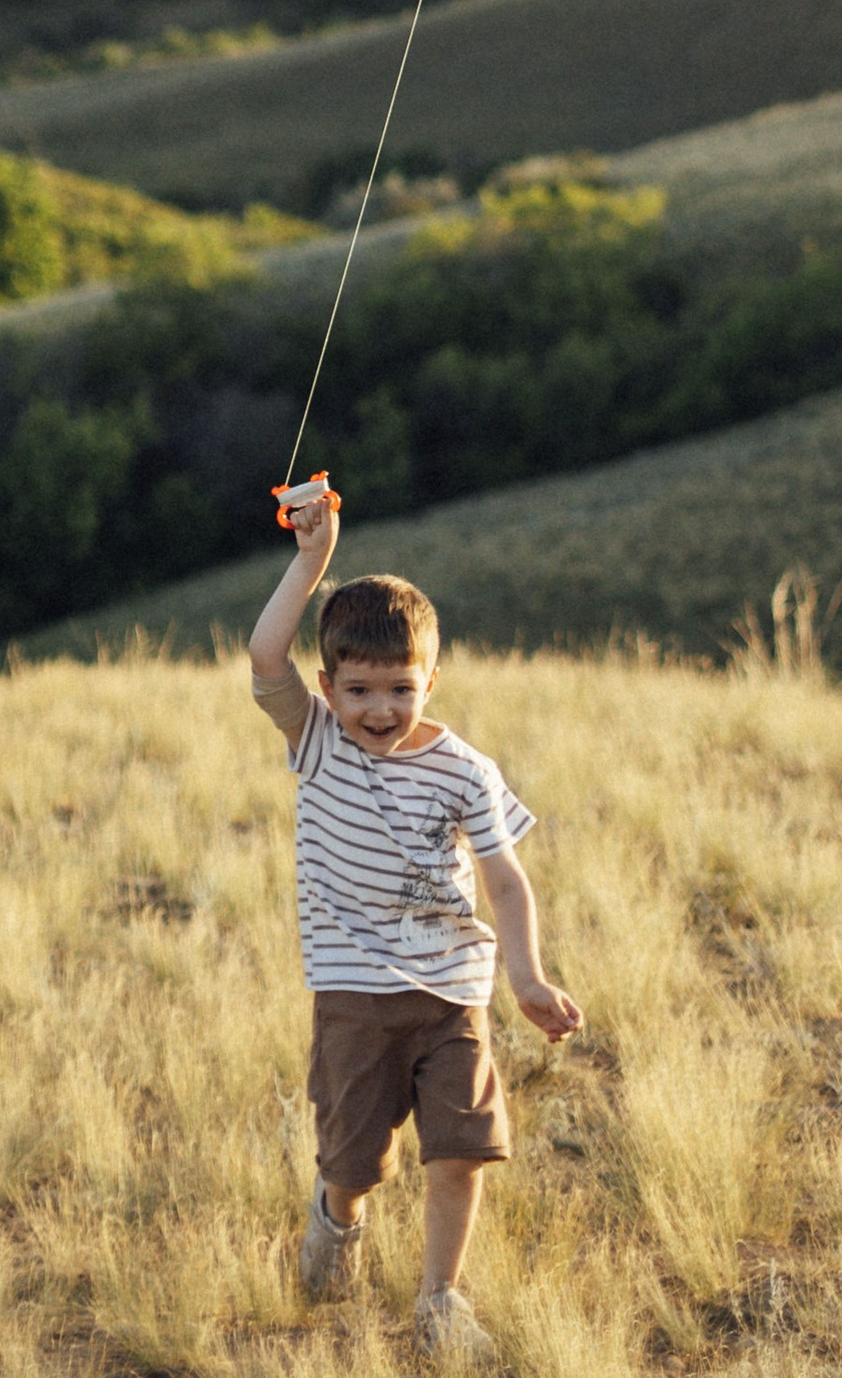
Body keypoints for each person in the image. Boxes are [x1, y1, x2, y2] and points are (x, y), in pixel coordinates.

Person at [250, 479, 582, 1360]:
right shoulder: (315, 738)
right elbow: (264, 653)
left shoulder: (466, 769)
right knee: (353, 1161)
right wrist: (313, 560)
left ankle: (440, 1299)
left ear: (431, 679)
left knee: (461, 1151)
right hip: (354, 997)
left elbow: (505, 878)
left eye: (401, 687)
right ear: (328, 686)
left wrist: (526, 976)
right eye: (358, 688)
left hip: (451, 993)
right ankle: (338, 1217)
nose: (380, 709)